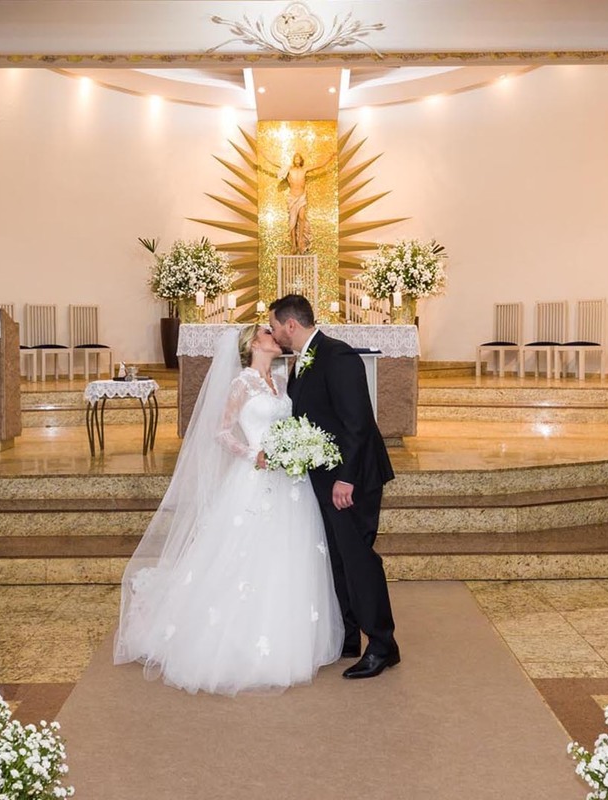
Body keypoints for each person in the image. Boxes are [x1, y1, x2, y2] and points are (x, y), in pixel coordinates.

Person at [114, 324, 344, 695]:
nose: (276, 338)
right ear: (254, 344)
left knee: (289, 556)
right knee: (244, 557)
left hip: (291, 482)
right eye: (269, 334)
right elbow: (221, 432)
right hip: (255, 476)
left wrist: (299, 448)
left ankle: (290, 641)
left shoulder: (284, 380)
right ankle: (233, 643)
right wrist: (254, 453)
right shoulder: (242, 383)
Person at [268, 294, 400, 679]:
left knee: (359, 559)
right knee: (338, 558)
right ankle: (348, 634)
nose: (274, 334)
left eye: (275, 326)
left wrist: (346, 478)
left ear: (291, 325)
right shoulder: (304, 360)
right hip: (327, 477)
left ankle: (383, 644)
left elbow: (357, 422)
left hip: (352, 478)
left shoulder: (337, 356)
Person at [262, 150, 334, 254]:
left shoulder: (304, 170)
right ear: (293, 160)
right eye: (295, 157)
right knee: (292, 221)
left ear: (301, 160)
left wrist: (330, 157)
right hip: (292, 197)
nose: (297, 159)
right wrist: (263, 154)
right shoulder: (289, 169)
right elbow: (274, 163)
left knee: (301, 217)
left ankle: (300, 241)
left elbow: (319, 166)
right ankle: (294, 245)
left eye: (298, 157)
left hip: (301, 197)